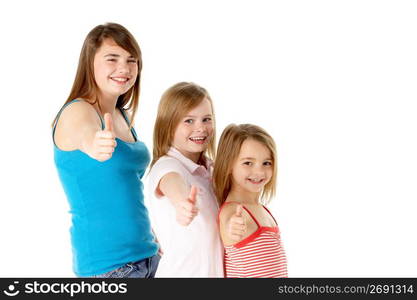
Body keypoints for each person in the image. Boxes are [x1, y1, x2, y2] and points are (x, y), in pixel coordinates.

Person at [52, 23, 160, 277]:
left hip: (148, 255)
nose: (124, 68)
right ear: (90, 63)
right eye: (112, 59)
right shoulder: (78, 111)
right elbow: (86, 136)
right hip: (110, 269)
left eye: (131, 60)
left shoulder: (121, 115)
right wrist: (94, 144)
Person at [147, 82, 223, 277]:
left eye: (206, 119)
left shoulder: (213, 169)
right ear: (168, 125)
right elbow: (172, 182)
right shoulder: (167, 165)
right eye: (189, 121)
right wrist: (182, 203)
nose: (201, 128)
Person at [213, 124, 288, 278]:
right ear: (228, 165)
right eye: (248, 163)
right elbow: (229, 223)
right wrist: (231, 227)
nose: (259, 171)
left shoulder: (262, 209)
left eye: (266, 163)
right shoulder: (234, 211)